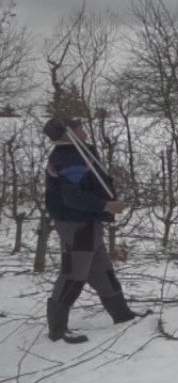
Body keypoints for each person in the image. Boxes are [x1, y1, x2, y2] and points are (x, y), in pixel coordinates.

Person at [43, 115, 141, 344]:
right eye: (78, 127)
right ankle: (58, 329)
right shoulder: (67, 158)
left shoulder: (78, 152)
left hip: (88, 221)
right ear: (67, 133)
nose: (83, 129)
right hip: (76, 223)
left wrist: (107, 181)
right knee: (73, 274)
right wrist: (107, 205)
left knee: (101, 270)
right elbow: (73, 197)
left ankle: (122, 315)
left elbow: (86, 180)